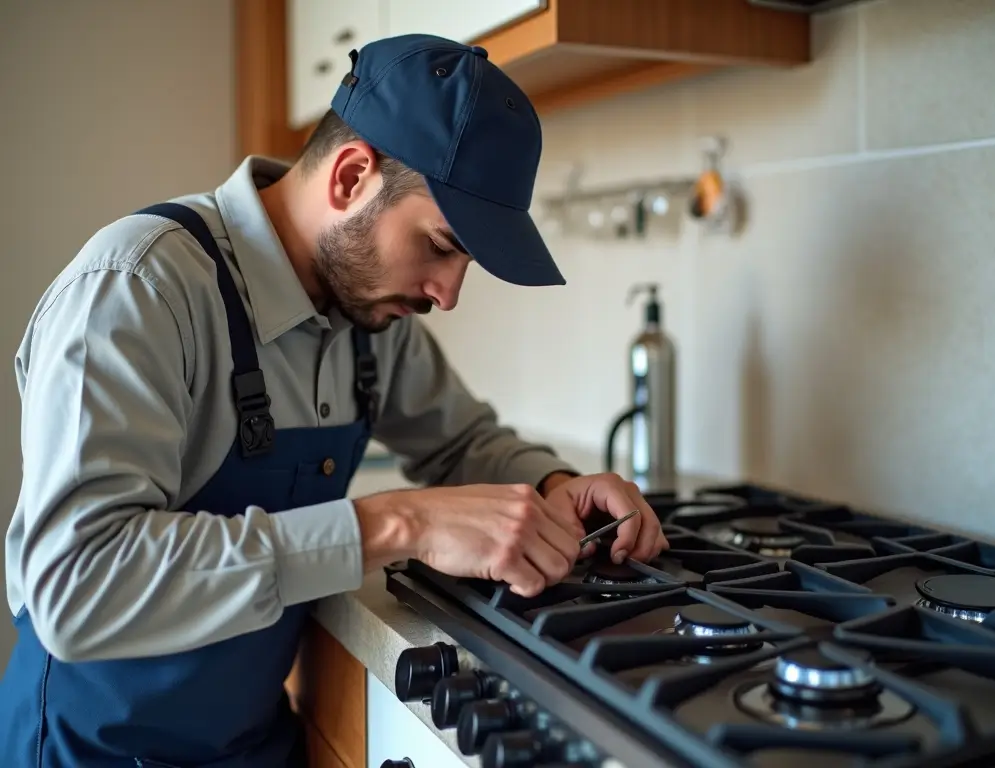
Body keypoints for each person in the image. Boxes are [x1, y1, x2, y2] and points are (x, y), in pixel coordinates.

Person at [0, 33, 669, 768]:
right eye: (441, 246)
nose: (447, 294)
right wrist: (401, 522)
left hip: (251, 745)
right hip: (91, 752)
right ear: (351, 177)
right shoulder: (138, 289)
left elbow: (462, 443)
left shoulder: (371, 318)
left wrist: (556, 483)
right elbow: (76, 584)